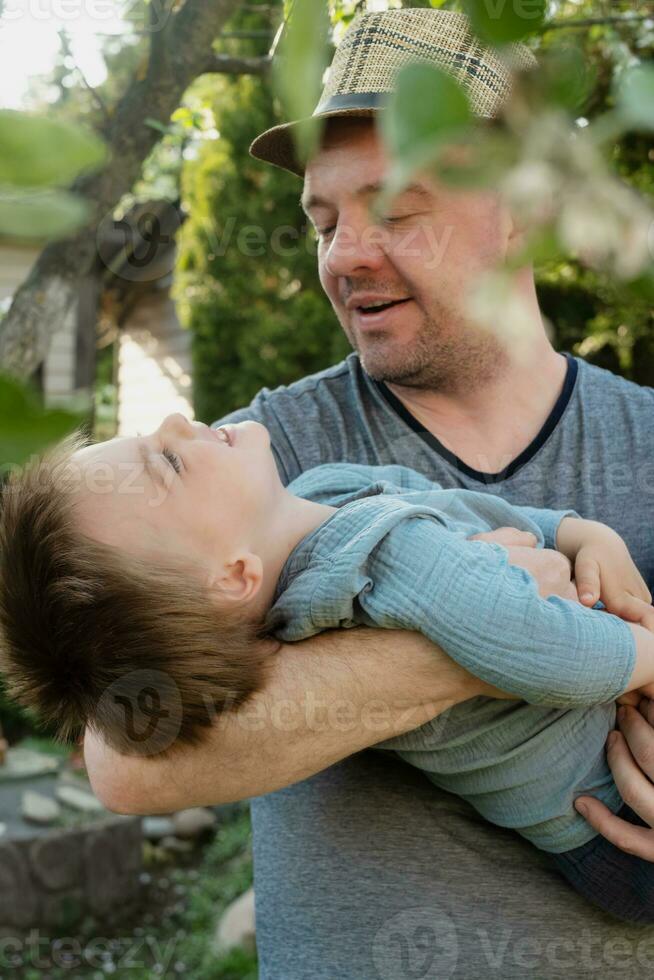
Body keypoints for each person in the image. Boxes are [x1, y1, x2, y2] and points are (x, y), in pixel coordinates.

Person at [82, 9, 654, 978]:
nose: (343, 256)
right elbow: (132, 753)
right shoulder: (265, 454)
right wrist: (477, 637)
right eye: (323, 221)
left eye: (395, 208)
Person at [3, 412, 654, 921]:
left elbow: (469, 509)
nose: (175, 421)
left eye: (145, 435)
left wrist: (582, 535)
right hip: (616, 830)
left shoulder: (324, 495)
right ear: (235, 575)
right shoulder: (373, 567)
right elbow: (553, 655)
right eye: (168, 463)